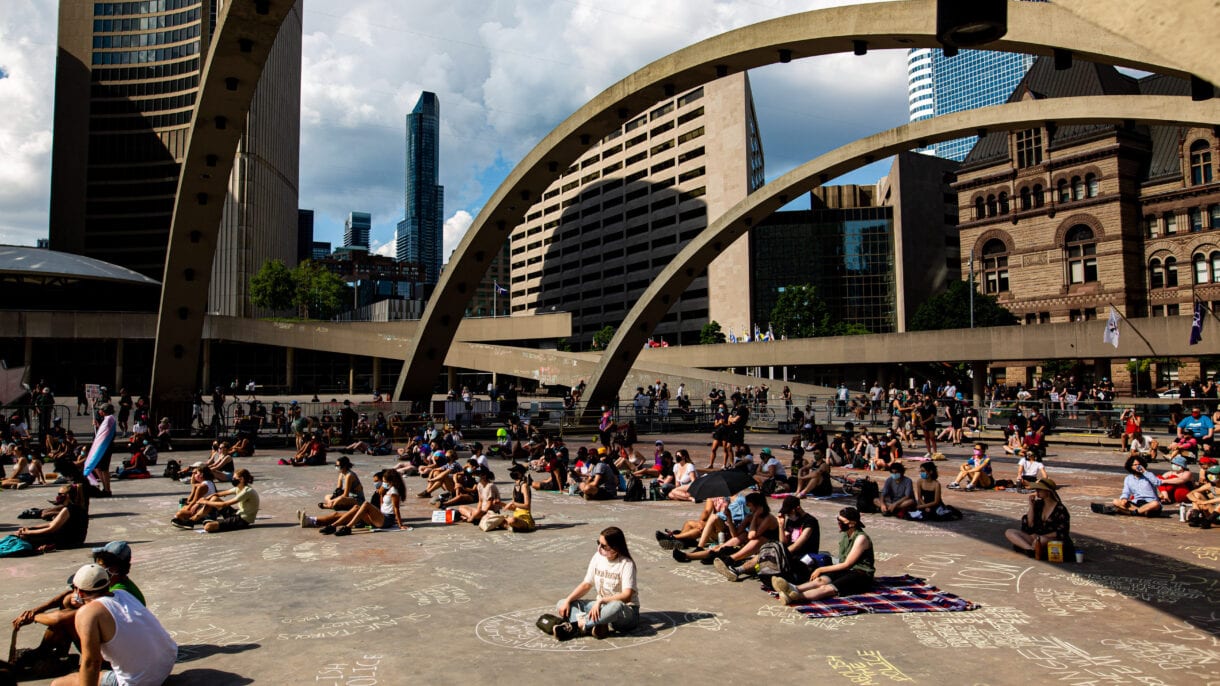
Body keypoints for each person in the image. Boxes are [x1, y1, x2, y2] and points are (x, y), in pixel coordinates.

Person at [13, 542, 145, 663]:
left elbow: (60, 619)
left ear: (113, 569)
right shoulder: (108, 584)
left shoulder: (120, 592)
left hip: (118, 655)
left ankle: (43, 655)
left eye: (101, 564)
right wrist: (36, 610)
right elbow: (70, 593)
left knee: (70, 617)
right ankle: (51, 653)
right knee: (69, 601)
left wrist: (34, 617)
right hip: (119, 642)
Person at [49, 564, 176, 686]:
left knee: (58, 684)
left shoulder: (87, 613)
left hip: (140, 681)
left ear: (79, 593)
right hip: (165, 665)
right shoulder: (123, 594)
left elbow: (91, 663)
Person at [548, 527, 639, 640]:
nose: (599, 548)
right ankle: (595, 626)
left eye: (604, 546)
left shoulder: (627, 564)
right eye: (598, 543)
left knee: (616, 605)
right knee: (562, 603)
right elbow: (586, 584)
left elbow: (627, 596)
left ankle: (578, 625)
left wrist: (601, 600)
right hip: (600, 608)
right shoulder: (597, 557)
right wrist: (568, 600)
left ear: (615, 547)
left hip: (625, 613)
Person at [772, 507, 874, 605]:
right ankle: (793, 588)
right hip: (846, 570)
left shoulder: (861, 538)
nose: (839, 523)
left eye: (841, 521)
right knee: (820, 580)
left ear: (852, 523)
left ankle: (797, 597)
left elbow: (847, 564)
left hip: (860, 574)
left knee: (826, 588)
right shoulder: (845, 534)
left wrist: (821, 569)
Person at [715, 495, 819, 583]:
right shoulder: (790, 520)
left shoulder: (810, 522)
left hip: (804, 555)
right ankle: (737, 570)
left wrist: (780, 552)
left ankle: (737, 569)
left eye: (789, 513)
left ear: (797, 509)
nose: (787, 516)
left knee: (771, 555)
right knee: (766, 554)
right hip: (789, 552)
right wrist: (781, 526)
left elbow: (797, 545)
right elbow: (783, 542)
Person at [305, 469, 406, 535]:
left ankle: (347, 528)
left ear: (391, 482)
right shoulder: (385, 490)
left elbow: (396, 509)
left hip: (386, 520)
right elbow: (382, 504)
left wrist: (400, 524)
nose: (383, 483)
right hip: (380, 517)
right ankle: (333, 526)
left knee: (364, 504)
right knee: (356, 507)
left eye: (385, 481)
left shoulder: (394, 492)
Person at [170, 469, 259, 533]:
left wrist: (204, 502)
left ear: (241, 479)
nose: (232, 480)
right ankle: (191, 521)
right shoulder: (238, 488)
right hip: (237, 514)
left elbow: (225, 504)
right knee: (214, 499)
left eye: (234, 478)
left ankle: (212, 523)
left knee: (208, 527)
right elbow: (218, 494)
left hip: (243, 520)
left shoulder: (246, 491)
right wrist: (208, 498)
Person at [1005, 478, 1072, 558]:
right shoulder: (1038, 504)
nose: (1037, 492)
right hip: (1036, 538)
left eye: (1040, 490)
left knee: (1042, 540)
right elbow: (1029, 524)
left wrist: (1041, 537)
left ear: (1048, 492)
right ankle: (1031, 550)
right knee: (1009, 532)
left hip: (1052, 540)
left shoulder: (1060, 509)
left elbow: (1061, 531)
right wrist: (1031, 506)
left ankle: (1034, 549)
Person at [16, 483, 89, 553]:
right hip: (75, 540)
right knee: (25, 534)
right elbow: (50, 524)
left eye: (60, 494)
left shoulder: (69, 509)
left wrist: (29, 532)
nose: (58, 496)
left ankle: (47, 546)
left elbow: (51, 528)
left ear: (68, 495)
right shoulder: (77, 507)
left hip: (69, 541)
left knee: (24, 536)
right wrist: (30, 528)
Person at [1095, 454, 1163, 516]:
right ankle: (1141, 512)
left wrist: (1144, 472)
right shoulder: (1128, 478)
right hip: (1137, 503)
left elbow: (1157, 482)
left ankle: (1132, 512)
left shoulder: (1149, 475)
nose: (1138, 467)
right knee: (1116, 501)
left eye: (1139, 464)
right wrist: (1124, 498)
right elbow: (1126, 491)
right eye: (1135, 465)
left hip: (1150, 503)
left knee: (1155, 504)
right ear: (1130, 467)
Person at [501, 463, 536, 532]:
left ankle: (510, 526)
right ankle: (511, 526)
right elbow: (514, 507)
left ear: (520, 473)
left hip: (525, 518)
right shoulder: (515, 486)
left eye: (514, 472)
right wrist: (500, 503)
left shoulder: (524, 486)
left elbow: (527, 505)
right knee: (498, 518)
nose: (512, 473)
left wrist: (512, 502)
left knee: (512, 520)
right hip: (517, 516)